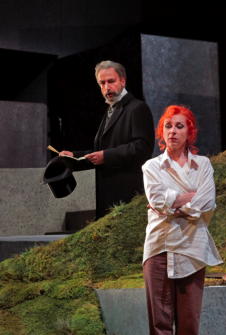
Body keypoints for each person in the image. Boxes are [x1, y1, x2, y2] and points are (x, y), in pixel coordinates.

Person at [142, 104, 223, 335]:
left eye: (179, 126)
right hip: (159, 246)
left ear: (190, 132)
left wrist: (174, 204)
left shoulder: (204, 166)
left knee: (189, 321)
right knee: (160, 319)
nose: (173, 131)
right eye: (168, 126)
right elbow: (157, 200)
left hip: (192, 247)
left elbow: (206, 201)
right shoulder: (151, 167)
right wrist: (186, 200)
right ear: (161, 133)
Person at [60, 60, 155, 219]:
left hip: (127, 193)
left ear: (123, 81)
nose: (106, 87)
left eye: (111, 81)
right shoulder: (110, 110)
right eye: (102, 83)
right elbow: (101, 151)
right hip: (108, 194)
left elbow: (143, 147)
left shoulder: (137, 108)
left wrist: (106, 156)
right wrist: (75, 157)